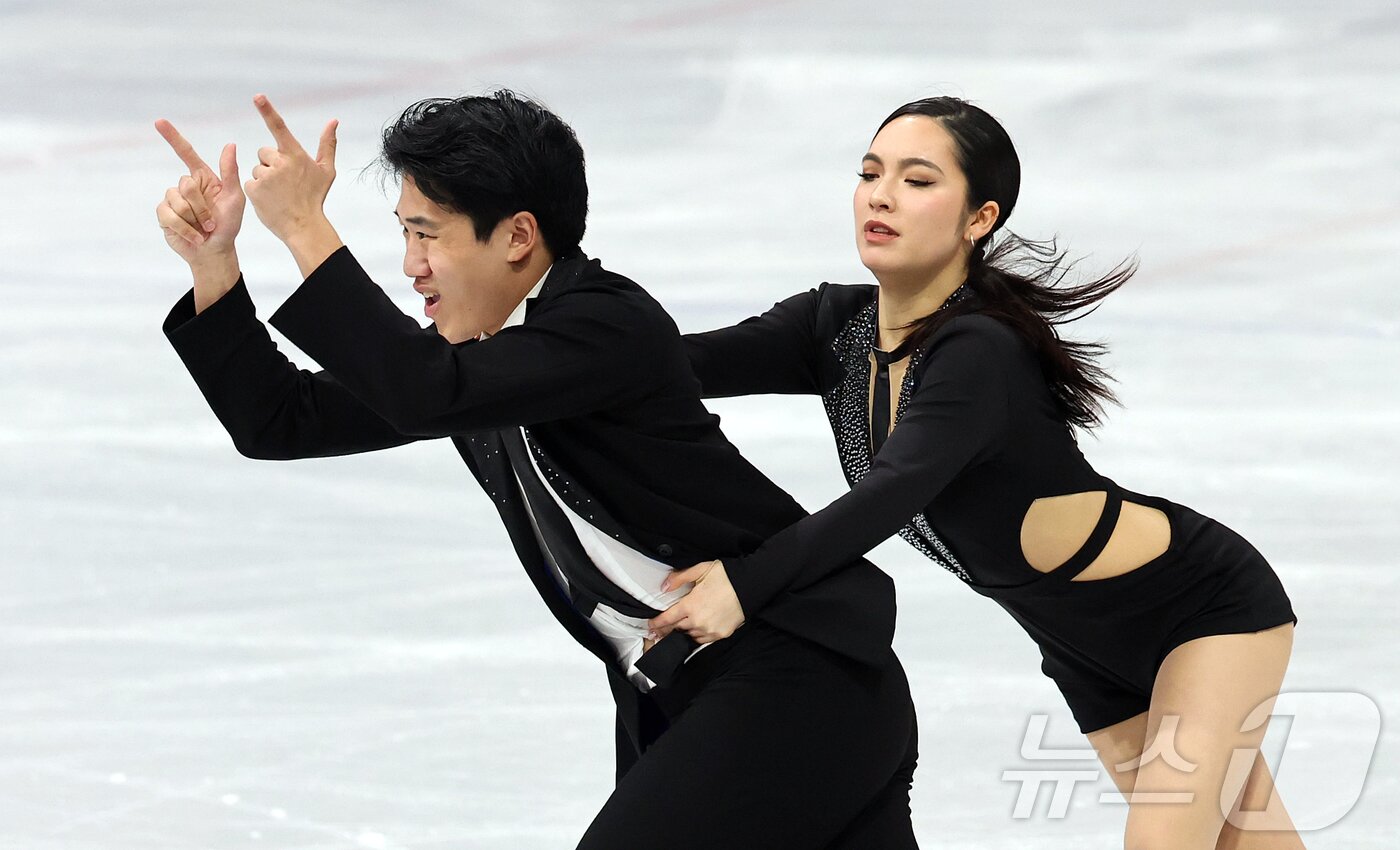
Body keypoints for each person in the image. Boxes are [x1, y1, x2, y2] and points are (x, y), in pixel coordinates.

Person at [153, 90, 920, 848]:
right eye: (404, 234)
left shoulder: (605, 324)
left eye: (427, 234)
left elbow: (422, 391)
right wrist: (214, 263)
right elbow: (282, 421)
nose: (411, 265)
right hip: (701, 691)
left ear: (518, 235)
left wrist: (304, 227)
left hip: (798, 673)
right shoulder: (480, 356)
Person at [654, 96, 1304, 849]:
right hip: (1079, 647)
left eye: (918, 181)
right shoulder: (834, 328)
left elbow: (889, 494)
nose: (882, 196)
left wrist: (747, 584)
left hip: (1198, 611)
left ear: (979, 218)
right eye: (869, 173)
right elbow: (665, 369)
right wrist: (555, 331)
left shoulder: (978, 352)